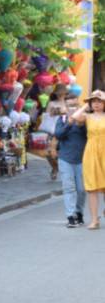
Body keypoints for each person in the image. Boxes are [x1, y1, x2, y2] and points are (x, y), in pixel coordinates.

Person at [68, 90, 105, 230]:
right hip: (91, 153)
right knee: (92, 188)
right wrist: (85, 105)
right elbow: (74, 117)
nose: (96, 104)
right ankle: (94, 220)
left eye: (99, 101)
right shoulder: (87, 117)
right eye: (93, 101)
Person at [54, 100, 87, 227]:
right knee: (69, 188)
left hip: (82, 159)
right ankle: (71, 216)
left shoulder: (84, 120)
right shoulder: (61, 119)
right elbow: (58, 135)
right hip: (65, 159)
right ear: (66, 108)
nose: (72, 108)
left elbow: (90, 136)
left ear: (79, 107)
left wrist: (81, 125)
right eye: (69, 106)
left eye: (75, 106)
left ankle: (79, 212)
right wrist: (69, 123)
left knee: (81, 189)